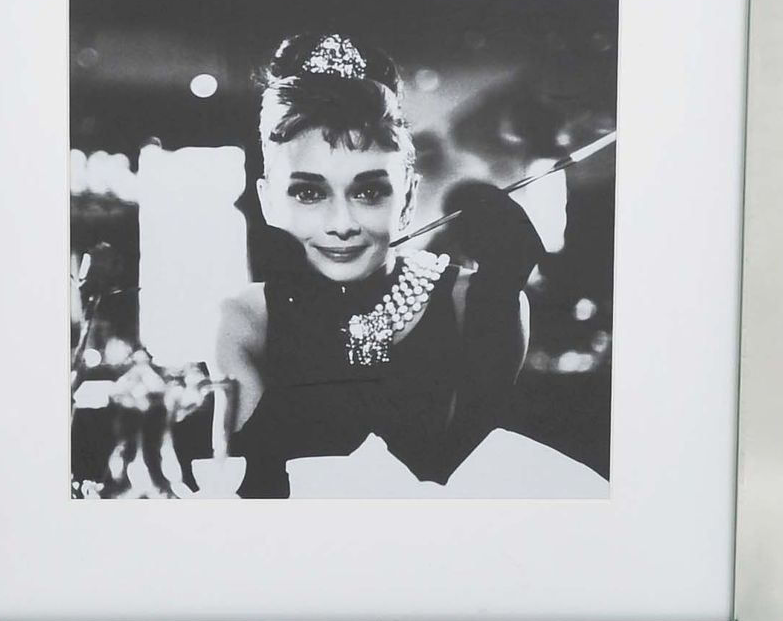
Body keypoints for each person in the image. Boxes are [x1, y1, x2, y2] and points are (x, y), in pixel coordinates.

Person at [215, 32, 563, 498]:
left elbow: (474, 483)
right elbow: (247, 489)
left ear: (408, 198)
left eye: (369, 191)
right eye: (309, 192)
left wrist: (496, 307)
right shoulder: (246, 318)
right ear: (268, 201)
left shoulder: (475, 302)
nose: (342, 224)